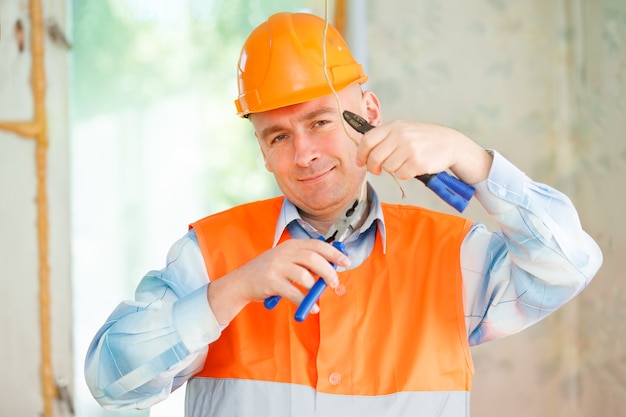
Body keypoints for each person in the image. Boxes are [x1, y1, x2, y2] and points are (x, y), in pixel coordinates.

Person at [84, 11, 603, 417]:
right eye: (278, 136)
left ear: (369, 115)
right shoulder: (212, 253)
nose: (304, 152)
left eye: (321, 121)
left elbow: (569, 265)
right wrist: (232, 291)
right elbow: (111, 382)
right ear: (262, 152)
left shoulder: (453, 255)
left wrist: (473, 159)